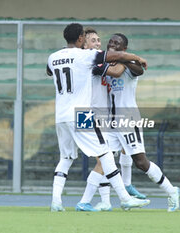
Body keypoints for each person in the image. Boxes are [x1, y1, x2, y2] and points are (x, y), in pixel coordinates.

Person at [46, 23, 150, 212]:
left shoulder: (53, 57)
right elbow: (117, 57)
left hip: (60, 114)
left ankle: (56, 202)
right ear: (80, 40)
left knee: (66, 158)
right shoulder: (85, 56)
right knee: (105, 153)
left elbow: (48, 72)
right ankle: (125, 198)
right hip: (81, 112)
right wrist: (137, 57)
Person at [78, 33, 180, 212]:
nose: (112, 44)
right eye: (110, 41)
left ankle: (172, 191)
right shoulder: (107, 64)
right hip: (110, 121)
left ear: (124, 49)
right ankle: (98, 201)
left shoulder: (128, 66)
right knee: (104, 159)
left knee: (141, 162)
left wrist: (126, 60)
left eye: (117, 43)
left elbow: (139, 70)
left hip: (127, 118)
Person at [75, 28, 146, 212]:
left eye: (99, 40)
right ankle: (123, 197)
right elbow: (116, 72)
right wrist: (129, 57)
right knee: (104, 157)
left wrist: (123, 57)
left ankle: (103, 201)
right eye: (93, 40)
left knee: (101, 158)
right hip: (89, 113)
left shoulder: (92, 58)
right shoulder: (90, 59)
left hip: (96, 113)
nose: (98, 44)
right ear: (83, 44)